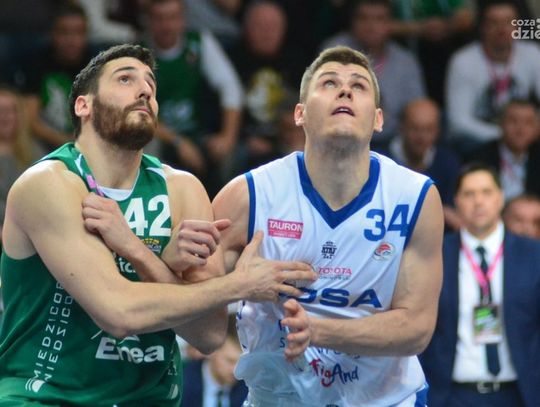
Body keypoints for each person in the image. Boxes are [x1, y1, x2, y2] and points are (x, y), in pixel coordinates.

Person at [0, 44, 316, 404]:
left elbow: (208, 334)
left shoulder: (182, 188)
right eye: (125, 79)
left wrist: (142, 255)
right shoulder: (49, 183)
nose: (144, 90)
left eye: (150, 84)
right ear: (83, 105)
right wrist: (238, 285)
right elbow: (116, 312)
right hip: (48, 396)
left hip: (149, 397)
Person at [213, 45, 444, 406]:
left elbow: (416, 329)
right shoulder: (247, 195)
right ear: (300, 113)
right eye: (330, 83)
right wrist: (235, 286)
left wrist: (318, 330)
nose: (345, 90)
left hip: (385, 400)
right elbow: (199, 322)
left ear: (378, 119)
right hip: (278, 398)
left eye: (359, 85)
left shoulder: (416, 197)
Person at [420, 163, 540, 407]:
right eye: (469, 194)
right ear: (456, 201)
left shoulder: (533, 254)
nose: (478, 201)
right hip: (452, 395)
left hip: (520, 394)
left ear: (501, 198)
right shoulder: (436, 255)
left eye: (486, 192)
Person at [144, 0, 243, 196]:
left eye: (172, 18)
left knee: (228, 152)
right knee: (147, 144)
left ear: (183, 19)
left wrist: (227, 137)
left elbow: (231, 88)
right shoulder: (138, 52)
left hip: (199, 133)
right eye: (159, 19)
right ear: (149, 21)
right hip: (160, 136)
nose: (166, 25)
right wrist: (178, 141)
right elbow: (136, 110)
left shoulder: (198, 43)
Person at [320, 0, 426, 150]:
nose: (371, 27)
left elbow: (418, 111)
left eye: (379, 19)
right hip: (340, 139)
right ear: (352, 22)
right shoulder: (333, 51)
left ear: (391, 24)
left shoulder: (406, 62)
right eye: (363, 18)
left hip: (394, 144)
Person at [445, 0, 540, 155]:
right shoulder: (463, 61)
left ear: (518, 26)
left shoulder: (533, 54)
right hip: (479, 142)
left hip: (521, 136)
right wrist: (505, 135)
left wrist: (529, 129)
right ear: (482, 27)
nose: (502, 29)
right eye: (494, 23)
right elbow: (459, 122)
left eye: (508, 22)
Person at [21, 3, 102, 153]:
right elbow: (31, 121)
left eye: (78, 32)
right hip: (46, 142)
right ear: (52, 34)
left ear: (86, 35)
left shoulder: (98, 63)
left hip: (91, 139)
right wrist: (68, 142)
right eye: (64, 32)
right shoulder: (36, 62)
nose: (71, 40)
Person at [385, 98, 462, 231]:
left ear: (438, 131)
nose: (421, 137)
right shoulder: (380, 160)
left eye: (429, 129)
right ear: (401, 127)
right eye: (415, 128)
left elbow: (455, 214)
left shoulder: (448, 163)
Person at [465, 99, 540, 201]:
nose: (520, 129)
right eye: (513, 121)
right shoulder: (478, 158)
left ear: (537, 128)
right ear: (501, 124)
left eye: (528, 123)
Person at [180, 315, 248, 407]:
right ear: (211, 350)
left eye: (242, 364)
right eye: (230, 361)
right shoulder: (181, 383)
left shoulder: (250, 388)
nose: (236, 370)